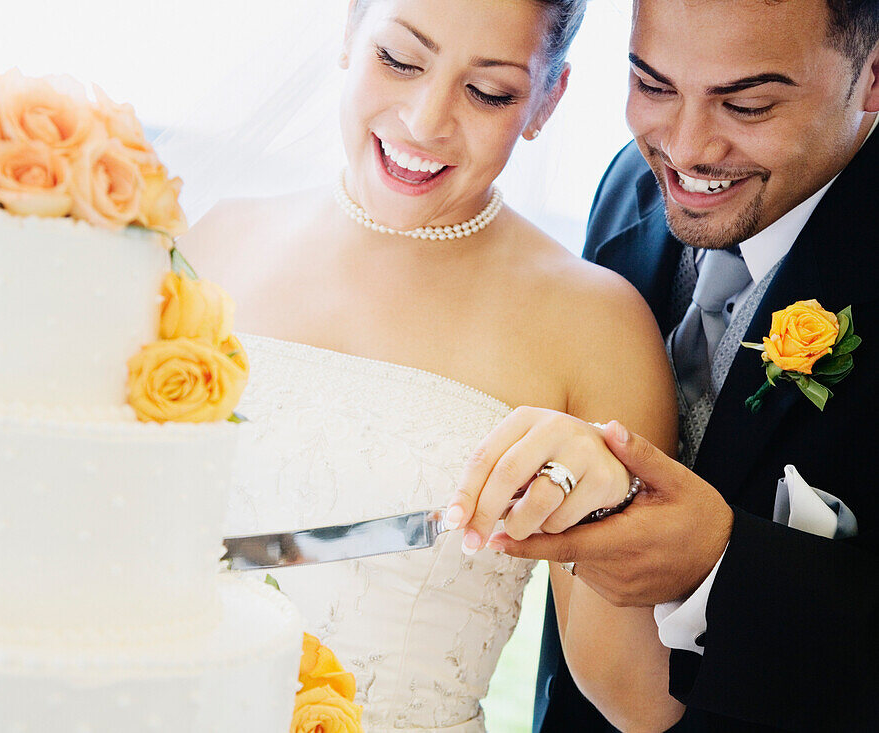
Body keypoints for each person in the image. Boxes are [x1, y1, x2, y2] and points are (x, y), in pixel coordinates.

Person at [177, 0, 684, 729]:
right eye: (401, 60)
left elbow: (639, 700)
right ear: (351, 33)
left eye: (489, 92)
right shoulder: (215, 241)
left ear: (547, 101)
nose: (425, 120)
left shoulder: (597, 326)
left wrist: (602, 503)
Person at [448, 0, 879, 730]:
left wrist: (721, 563)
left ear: (871, 77)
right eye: (652, 85)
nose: (683, 148)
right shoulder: (629, 183)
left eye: (745, 104)